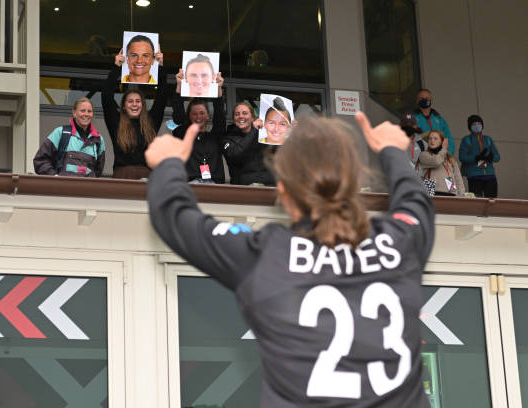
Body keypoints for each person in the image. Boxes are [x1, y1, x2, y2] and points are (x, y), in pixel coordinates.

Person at [145, 113, 434, 407]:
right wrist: (392, 151)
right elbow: (414, 201)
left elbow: (174, 216)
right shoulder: (400, 243)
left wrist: (169, 164)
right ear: (353, 184)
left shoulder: (268, 255)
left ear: (283, 192)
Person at [102, 49, 167, 179]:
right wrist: (117, 67)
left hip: (147, 178)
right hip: (122, 177)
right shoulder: (116, 122)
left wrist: (160, 67)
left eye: (138, 101)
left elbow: (162, 98)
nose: (134, 104)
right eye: (130, 101)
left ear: (142, 105)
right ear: (124, 106)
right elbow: (106, 97)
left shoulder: (150, 122)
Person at [171, 70, 225, 183]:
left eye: (201, 113)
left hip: (213, 185)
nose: (198, 117)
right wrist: (179, 86)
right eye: (194, 113)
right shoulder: (182, 134)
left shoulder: (215, 137)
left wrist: (218, 89)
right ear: (189, 116)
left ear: (208, 116)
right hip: (189, 185)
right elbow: (178, 115)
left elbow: (220, 117)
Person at [33, 98, 105, 177]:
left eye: (89, 111)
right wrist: (54, 177)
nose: (86, 114)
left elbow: (98, 171)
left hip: (87, 188)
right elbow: (40, 160)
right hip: (62, 188)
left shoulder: (98, 140)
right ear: (74, 113)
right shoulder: (61, 133)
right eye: (82, 110)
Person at [222, 102, 274, 186]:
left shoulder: (265, 135)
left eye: (245, 113)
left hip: (268, 187)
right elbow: (236, 155)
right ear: (233, 119)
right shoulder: (228, 139)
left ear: (253, 117)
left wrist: (289, 133)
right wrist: (253, 130)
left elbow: (281, 154)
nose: (241, 116)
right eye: (237, 114)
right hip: (243, 189)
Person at [459, 114, 500, 198]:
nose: (477, 126)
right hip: (474, 177)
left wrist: (490, 158)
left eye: (479, 124)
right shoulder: (466, 139)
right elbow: (462, 157)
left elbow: (497, 156)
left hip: (490, 176)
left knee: (492, 202)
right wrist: (476, 158)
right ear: (470, 127)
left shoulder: (488, 139)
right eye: (474, 124)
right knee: (477, 203)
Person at [419, 130, 465, 196]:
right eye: (430, 138)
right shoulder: (424, 154)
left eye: (435, 138)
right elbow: (436, 161)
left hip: (450, 191)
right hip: (432, 190)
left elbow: (458, 178)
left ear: (442, 141)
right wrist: (443, 149)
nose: (432, 141)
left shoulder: (449, 157)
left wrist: (461, 194)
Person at [414, 89, 455, 155]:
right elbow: (410, 141)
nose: (424, 100)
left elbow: (448, 139)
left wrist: (448, 155)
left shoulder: (439, 119)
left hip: (439, 158)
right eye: (421, 98)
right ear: (417, 101)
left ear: (431, 100)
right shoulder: (412, 120)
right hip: (422, 159)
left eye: (427, 98)